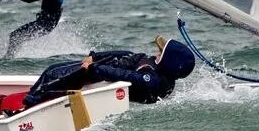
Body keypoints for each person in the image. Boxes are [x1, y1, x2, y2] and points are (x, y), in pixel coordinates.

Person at [21, 34, 196, 108]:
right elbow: (127, 55)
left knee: (52, 71)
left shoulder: (153, 80)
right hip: (102, 65)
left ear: (169, 62)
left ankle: (28, 103)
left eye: (161, 52)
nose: (157, 52)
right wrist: (94, 56)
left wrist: (94, 67)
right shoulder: (155, 67)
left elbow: (126, 76)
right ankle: (33, 97)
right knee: (54, 69)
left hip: (98, 75)